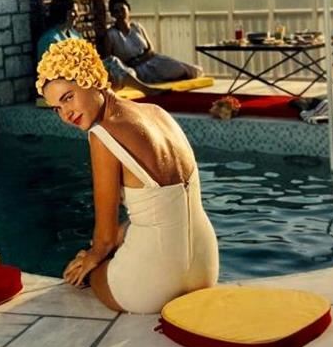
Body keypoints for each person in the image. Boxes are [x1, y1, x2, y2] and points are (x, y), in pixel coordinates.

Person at [37, 38, 219, 314]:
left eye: (68, 97)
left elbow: (105, 238)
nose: (66, 114)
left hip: (154, 284)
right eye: (56, 108)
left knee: (90, 273)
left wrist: (91, 257)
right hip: (205, 267)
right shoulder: (158, 114)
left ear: (90, 79)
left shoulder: (102, 134)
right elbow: (162, 205)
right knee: (128, 232)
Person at [36, 0, 162, 95]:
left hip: (83, 72)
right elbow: (54, 70)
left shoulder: (74, 34)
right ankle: (146, 90)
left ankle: (130, 90)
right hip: (67, 80)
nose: (77, 15)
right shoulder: (50, 39)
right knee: (113, 66)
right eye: (74, 12)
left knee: (114, 66)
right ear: (65, 14)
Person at [104, 0, 203, 84]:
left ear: (128, 10)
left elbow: (151, 48)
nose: (120, 14)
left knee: (187, 70)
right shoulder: (111, 34)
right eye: (116, 11)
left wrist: (143, 59)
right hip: (133, 69)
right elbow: (109, 59)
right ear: (112, 15)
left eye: (122, 9)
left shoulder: (137, 27)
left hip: (152, 61)